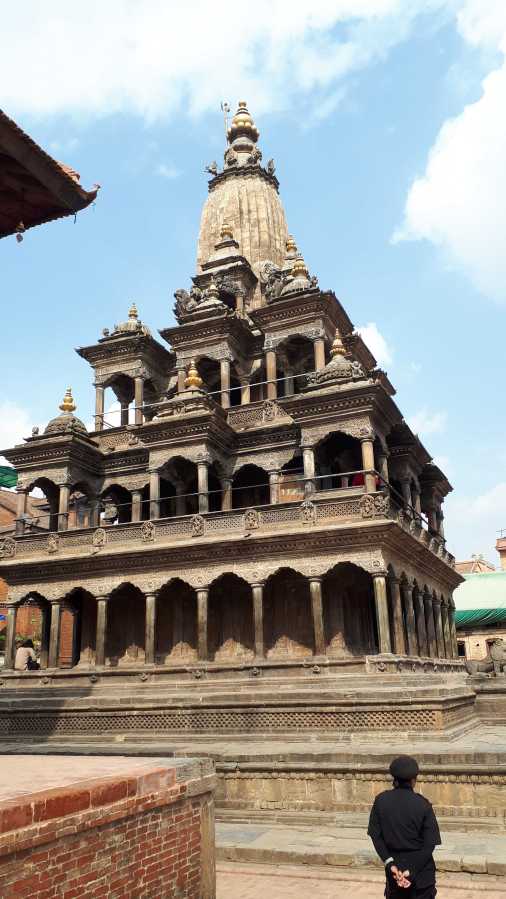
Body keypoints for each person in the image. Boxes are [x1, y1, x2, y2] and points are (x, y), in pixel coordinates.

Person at [368, 755, 441, 898]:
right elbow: (429, 845)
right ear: (414, 780)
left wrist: (390, 864)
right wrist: (411, 870)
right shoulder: (423, 804)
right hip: (421, 877)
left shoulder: (381, 801)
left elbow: (376, 837)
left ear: (394, 778)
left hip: (395, 875)